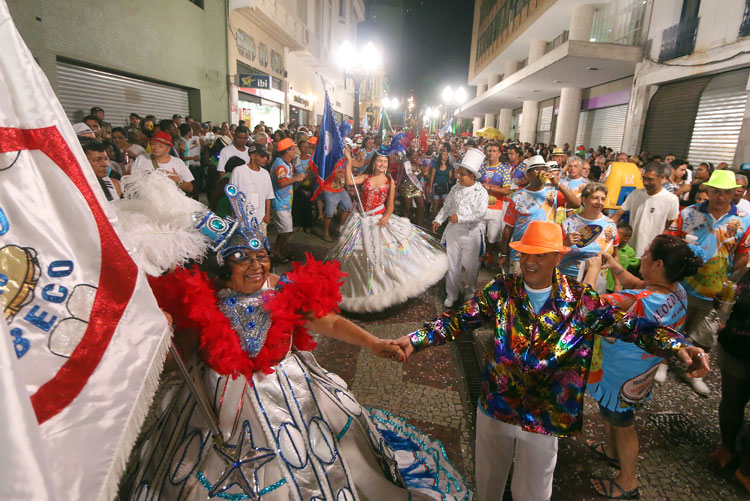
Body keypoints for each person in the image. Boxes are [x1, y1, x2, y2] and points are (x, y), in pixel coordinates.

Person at [130, 203, 469, 500]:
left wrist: (374, 343)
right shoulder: (203, 299)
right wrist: (161, 330)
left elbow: (331, 323)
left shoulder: (283, 290)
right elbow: (177, 357)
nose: (255, 265)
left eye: (261, 255)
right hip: (213, 401)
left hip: (286, 391)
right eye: (241, 258)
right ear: (223, 265)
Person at [395, 220, 709, 501]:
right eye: (524, 254)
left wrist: (679, 345)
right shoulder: (503, 290)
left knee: (531, 492)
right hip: (497, 404)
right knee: (489, 484)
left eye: (539, 255)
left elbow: (631, 326)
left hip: (545, 416)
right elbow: (459, 320)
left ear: (557, 257)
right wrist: (414, 340)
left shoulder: (580, 301)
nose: (529, 261)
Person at [583, 236, 702, 499]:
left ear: (658, 264)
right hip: (642, 372)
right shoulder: (676, 290)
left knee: (624, 425)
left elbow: (587, 308)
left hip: (620, 374)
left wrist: (592, 271)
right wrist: (615, 266)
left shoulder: (641, 300)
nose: (641, 258)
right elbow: (639, 286)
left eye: (646, 254)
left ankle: (628, 481)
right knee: (614, 415)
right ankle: (613, 453)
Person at [327, 149, 449, 312]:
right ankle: (362, 290)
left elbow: (390, 204)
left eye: (385, 162)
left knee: (385, 255)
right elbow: (349, 181)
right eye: (379, 161)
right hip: (361, 219)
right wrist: (349, 161)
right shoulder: (366, 177)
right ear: (374, 163)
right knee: (358, 256)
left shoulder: (389, 181)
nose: (382, 164)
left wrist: (387, 215)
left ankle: (384, 289)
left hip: (379, 220)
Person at [665, 169, 750, 396]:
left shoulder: (743, 220)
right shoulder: (689, 213)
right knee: (671, 326)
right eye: (715, 191)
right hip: (682, 285)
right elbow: (669, 241)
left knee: (704, 336)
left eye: (726, 192)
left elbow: (744, 254)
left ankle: (696, 372)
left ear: (734, 193)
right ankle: (662, 363)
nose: (720, 197)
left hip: (715, 291)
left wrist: (730, 278)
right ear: (707, 190)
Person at [707, 269, 750, 496]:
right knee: (732, 401)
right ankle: (727, 446)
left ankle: (746, 467)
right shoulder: (747, 273)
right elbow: (729, 297)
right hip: (737, 345)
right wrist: (721, 303)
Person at [500, 155, 582, 274]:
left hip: (546, 252)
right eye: (536, 169)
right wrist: (503, 253)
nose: (541, 172)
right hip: (521, 253)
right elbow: (509, 228)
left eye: (544, 169)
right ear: (528, 175)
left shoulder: (552, 193)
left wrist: (558, 184)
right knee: (517, 288)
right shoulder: (518, 196)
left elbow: (576, 204)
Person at [432, 148, 488, 307]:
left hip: (471, 234)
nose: (458, 176)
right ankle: (452, 294)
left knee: (471, 267)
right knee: (452, 264)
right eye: (458, 173)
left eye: (462, 174)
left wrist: (461, 218)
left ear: (472, 175)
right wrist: (438, 220)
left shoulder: (481, 192)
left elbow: (480, 214)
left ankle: (470, 294)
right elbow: (447, 207)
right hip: (453, 233)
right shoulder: (455, 188)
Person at [610, 162, 679, 259]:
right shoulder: (636, 194)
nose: (645, 182)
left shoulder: (671, 199)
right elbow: (618, 214)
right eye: (644, 178)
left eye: (650, 179)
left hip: (651, 251)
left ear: (662, 177)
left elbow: (669, 222)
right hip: (630, 249)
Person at [559, 182, 618, 291]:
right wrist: (565, 243)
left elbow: (614, 256)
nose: (599, 202)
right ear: (584, 200)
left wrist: (617, 284)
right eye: (595, 198)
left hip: (598, 283)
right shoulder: (568, 224)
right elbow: (553, 253)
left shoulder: (610, 225)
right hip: (568, 284)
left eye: (603, 199)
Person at [270, 137, 305, 262]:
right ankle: (277, 253)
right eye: (293, 149)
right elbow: (281, 183)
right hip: (280, 204)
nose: (295, 151)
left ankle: (280, 252)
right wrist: (296, 179)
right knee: (285, 231)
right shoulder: (280, 165)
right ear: (286, 151)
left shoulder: (286, 163)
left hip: (284, 203)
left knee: (284, 231)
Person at [479, 142, 511, 268]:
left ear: (499, 153)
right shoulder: (482, 167)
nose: (491, 153)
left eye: (493, 151)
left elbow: (507, 190)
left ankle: (490, 252)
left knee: (492, 236)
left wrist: (490, 187)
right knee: (479, 233)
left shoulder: (504, 169)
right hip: (481, 206)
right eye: (489, 151)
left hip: (496, 208)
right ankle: (480, 255)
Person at [430, 149, 454, 218]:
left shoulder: (449, 167)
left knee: (444, 203)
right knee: (436, 203)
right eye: (444, 154)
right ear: (440, 156)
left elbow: (450, 178)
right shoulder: (436, 166)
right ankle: (434, 217)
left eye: (447, 155)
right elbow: (432, 177)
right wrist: (430, 187)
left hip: (445, 186)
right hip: (436, 185)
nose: (446, 156)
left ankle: (442, 218)